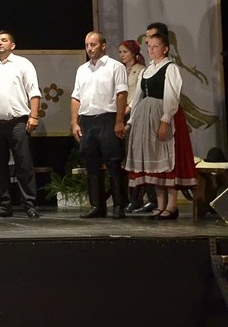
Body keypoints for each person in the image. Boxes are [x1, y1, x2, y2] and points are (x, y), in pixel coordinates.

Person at [125, 26, 197, 218]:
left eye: (156, 46)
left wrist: (165, 120)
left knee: (167, 160)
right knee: (154, 162)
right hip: (145, 118)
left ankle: (171, 206)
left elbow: (172, 96)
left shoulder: (170, 68)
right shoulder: (147, 70)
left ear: (165, 49)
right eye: (149, 46)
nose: (151, 49)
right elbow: (137, 98)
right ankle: (160, 204)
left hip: (164, 115)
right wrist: (131, 122)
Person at [0, 30, 42, 218]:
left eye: (4, 40)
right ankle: (3, 205)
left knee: (24, 164)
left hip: (17, 123)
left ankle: (29, 204)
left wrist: (34, 116)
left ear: (12, 45)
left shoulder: (23, 64)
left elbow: (34, 92)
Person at [70, 31, 130, 219]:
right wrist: (74, 122)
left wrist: (119, 121)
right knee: (92, 163)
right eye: (87, 45)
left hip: (108, 118)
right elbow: (76, 97)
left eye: (93, 44)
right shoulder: (82, 69)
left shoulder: (115, 66)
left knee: (113, 163)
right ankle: (97, 206)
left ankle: (119, 205)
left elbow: (122, 94)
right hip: (87, 120)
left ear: (103, 46)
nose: (89, 48)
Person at [118, 38, 154, 213]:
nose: (122, 55)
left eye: (125, 52)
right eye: (120, 52)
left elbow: (138, 95)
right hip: (119, 116)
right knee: (124, 160)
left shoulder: (141, 70)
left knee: (137, 158)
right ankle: (129, 199)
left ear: (133, 53)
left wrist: (127, 109)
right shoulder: (119, 70)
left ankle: (141, 198)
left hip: (134, 116)